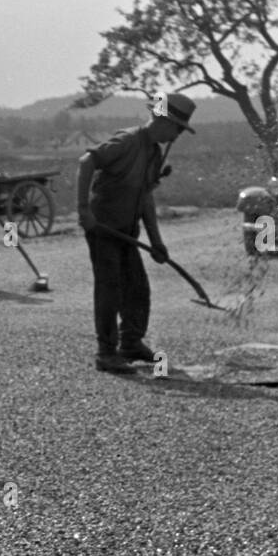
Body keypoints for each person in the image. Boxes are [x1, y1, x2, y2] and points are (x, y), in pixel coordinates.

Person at [76, 92, 195, 374]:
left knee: (138, 289)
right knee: (110, 289)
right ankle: (106, 353)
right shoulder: (128, 140)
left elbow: (145, 198)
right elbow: (86, 163)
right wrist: (83, 210)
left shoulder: (154, 153)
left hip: (126, 231)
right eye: (176, 128)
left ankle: (130, 343)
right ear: (162, 120)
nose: (177, 136)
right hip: (103, 227)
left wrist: (156, 241)